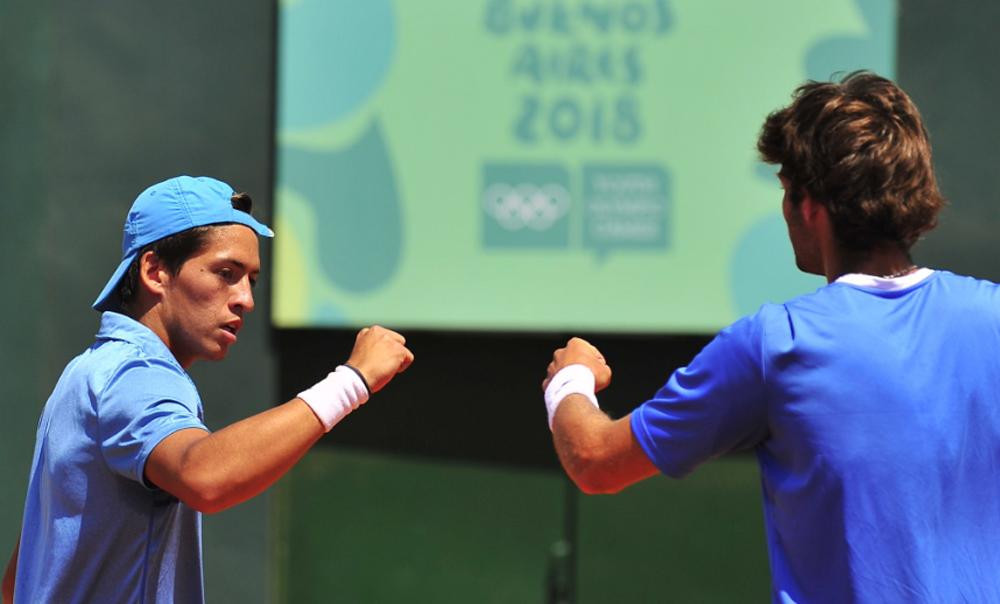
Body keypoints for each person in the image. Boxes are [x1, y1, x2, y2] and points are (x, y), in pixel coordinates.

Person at [542, 71, 1000, 602]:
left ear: (809, 206)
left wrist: (571, 379)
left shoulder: (776, 345)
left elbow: (596, 461)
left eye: (786, 191)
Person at [2, 175, 413, 603]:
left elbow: (22, 578)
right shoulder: (136, 373)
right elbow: (205, 477)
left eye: (250, 280)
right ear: (155, 271)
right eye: (225, 273)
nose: (245, 299)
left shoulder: (87, 372)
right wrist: (351, 381)